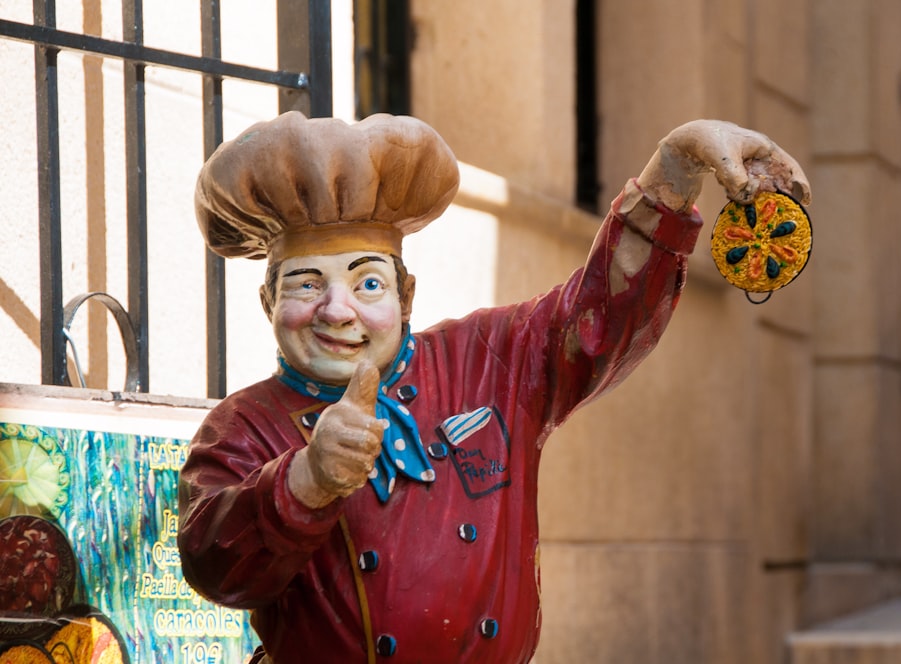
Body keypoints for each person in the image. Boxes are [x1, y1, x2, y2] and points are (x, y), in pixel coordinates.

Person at [178, 111, 810, 663]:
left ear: (405, 296)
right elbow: (216, 566)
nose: (337, 311)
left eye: (367, 283)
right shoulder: (243, 425)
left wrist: (673, 169)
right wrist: (305, 481)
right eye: (306, 284)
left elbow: (600, 317)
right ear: (268, 302)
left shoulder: (489, 357)